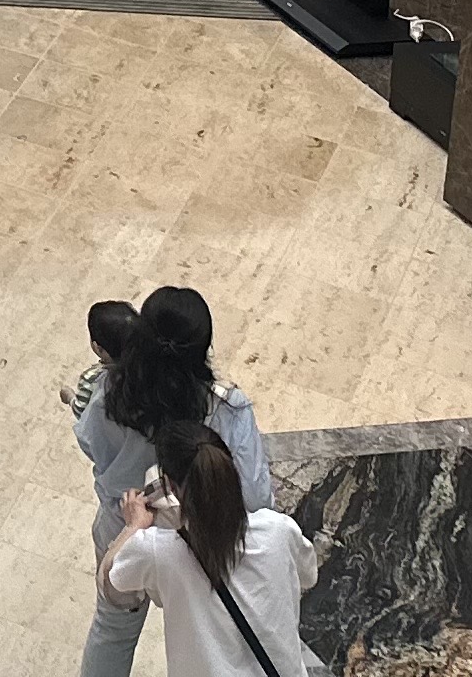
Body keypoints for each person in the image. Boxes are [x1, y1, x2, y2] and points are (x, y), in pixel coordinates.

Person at [78, 288, 273, 677]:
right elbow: (256, 497)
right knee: (214, 639)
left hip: (124, 525)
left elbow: (91, 445)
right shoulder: (227, 409)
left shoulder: (109, 392)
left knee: (113, 632)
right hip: (204, 546)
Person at [103, 420, 313, 677]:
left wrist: (134, 526)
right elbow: (308, 575)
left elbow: (111, 580)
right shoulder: (278, 530)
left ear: (172, 488)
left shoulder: (158, 551)